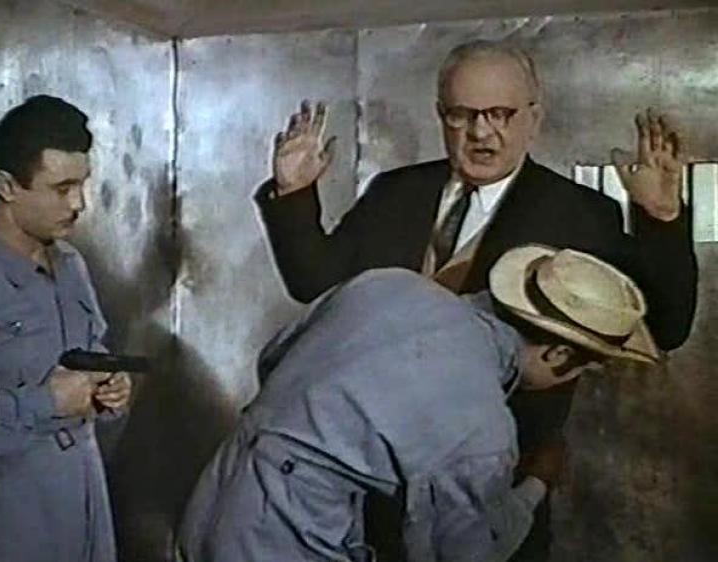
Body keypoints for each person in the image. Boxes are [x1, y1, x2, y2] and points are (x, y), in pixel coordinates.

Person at [254, 40, 698, 558]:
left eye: (501, 114)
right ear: (441, 115)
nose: (482, 133)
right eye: (462, 115)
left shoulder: (580, 213)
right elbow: (317, 284)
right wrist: (294, 193)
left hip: (495, 490)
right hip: (368, 488)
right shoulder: (394, 192)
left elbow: (666, 328)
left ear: (534, 118)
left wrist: (660, 220)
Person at [175, 245, 661, 562]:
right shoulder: (481, 421)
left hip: (210, 499)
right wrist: (536, 483)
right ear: (558, 354)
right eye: (578, 369)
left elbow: (274, 359)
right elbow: (464, 553)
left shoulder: (386, 282)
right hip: (282, 540)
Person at [0, 95, 132, 562]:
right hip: (2, 521)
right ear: (7, 186)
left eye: (82, 184)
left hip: (84, 504)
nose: (79, 203)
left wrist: (110, 390)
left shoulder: (71, 265)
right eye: (62, 188)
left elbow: (91, 354)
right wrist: (46, 402)